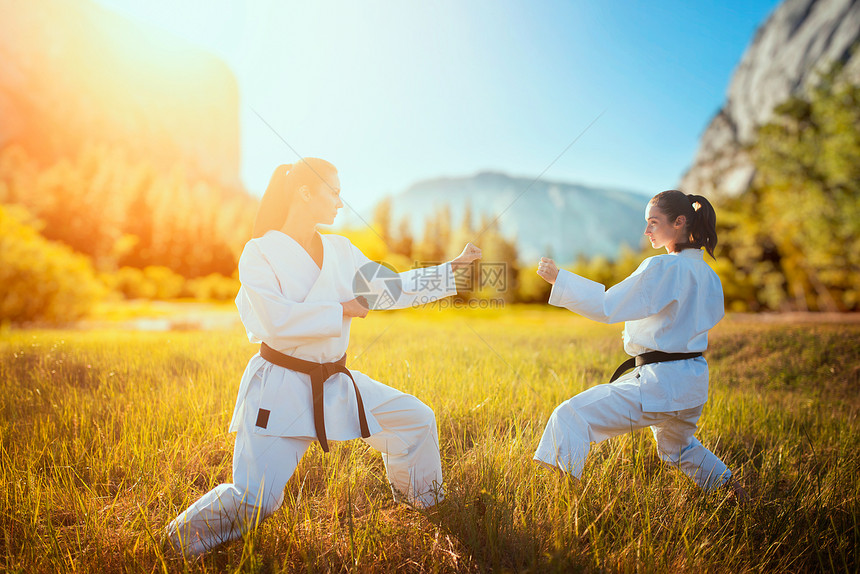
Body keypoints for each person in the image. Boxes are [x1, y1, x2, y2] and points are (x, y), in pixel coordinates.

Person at [166, 159, 482, 556]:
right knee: (256, 499)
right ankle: (175, 543)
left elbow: (392, 288)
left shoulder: (340, 250)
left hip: (335, 381)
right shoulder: (259, 253)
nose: (339, 202)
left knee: (415, 421)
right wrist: (343, 309)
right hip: (280, 387)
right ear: (304, 192)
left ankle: (424, 512)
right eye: (333, 191)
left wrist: (450, 271)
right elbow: (276, 321)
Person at [533, 189, 746, 499]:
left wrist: (559, 280)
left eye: (653, 222)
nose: (647, 231)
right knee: (680, 449)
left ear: (679, 222)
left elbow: (608, 306)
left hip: (659, 384)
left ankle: (564, 507)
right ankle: (742, 498)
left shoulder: (663, 268)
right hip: (692, 385)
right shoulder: (709, 275)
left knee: (570, 417)